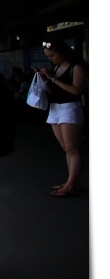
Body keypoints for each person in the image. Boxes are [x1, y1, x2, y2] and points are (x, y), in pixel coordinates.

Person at [38, 39, 88, 197]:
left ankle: (71, 184)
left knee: (72, 148)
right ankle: (72, 181)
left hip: (69, 108)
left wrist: (53, 79)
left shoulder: (76, 67)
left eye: (52, 55)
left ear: (62, 52)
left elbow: (76, 90)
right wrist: (45, 81)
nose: (50, 59)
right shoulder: (57, 67)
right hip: (55, 109)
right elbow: (55, 91)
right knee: (66, 148)